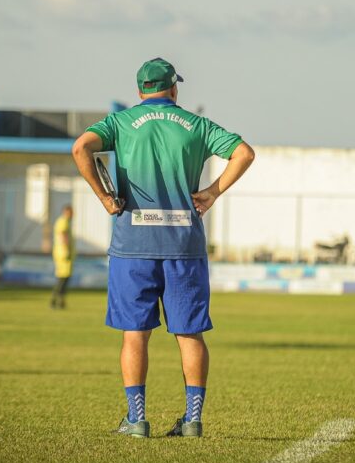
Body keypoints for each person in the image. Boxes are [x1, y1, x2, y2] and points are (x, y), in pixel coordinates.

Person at [72, 57, 255, 439]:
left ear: (140, 90)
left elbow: (80, 149)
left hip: (133, 245)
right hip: (184, 244)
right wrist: (212, 192)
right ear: (173, 88)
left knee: (135, 334)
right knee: (190, 334)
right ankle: (192, 421)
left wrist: (105, 198)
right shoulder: (197, 125)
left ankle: (136, 419)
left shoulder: (120, 122)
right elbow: (244, 153)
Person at [50, 205, 74, 309]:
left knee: (63, 278)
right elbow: (63, 236)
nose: (73, 215)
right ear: (66, 212)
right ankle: (55, 300)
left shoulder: (64, 222)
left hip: (63, 254)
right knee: (62, 279)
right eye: (71, 212)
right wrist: (67, 250)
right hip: (63, 254)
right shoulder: (63, 222)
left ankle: (60, 301)